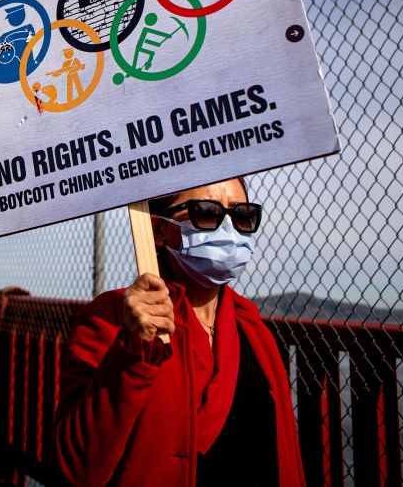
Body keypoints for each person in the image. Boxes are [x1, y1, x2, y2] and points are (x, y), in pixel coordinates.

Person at [54, 177, 304, 486]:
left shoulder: (254, 331)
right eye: (206, 213)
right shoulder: (110, 318)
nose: (229, 231)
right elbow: (76, 468)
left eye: (243, 216)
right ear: (158, 230)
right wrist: (132, 352)